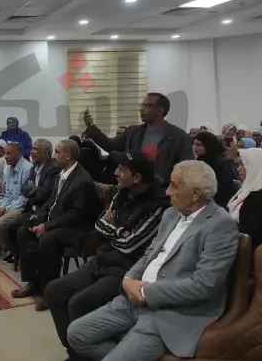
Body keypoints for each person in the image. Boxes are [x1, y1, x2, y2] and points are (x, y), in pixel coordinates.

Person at [67, 161, 239, 361]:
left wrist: (145, 292)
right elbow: (149, 255)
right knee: (76, 334)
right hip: (134, 300)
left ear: (195, 194)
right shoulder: (171, 213)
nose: (167, 191)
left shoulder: (220, 225)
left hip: (171, 312)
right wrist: (128, 279)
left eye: (174, 186)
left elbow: (203, 285)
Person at [46, 150, 170, 360]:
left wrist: (113, 229)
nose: (115, 173)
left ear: (137, 177)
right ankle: (75, 352)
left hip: (128, 270)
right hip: (105, 259)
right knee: (54, 290)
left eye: (121, 169)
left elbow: (130, 246)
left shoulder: (159, 205)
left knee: (78, 302)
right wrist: (121, 231)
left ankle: (83, 355)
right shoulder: (122, 192)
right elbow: (100, 224)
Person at [12, 139, 101, 310]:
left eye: (57, 152)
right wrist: (40, 217)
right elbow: (52, 201)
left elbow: (76, 216)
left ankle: (49, 291)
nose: (53, 156)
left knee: (47, 239)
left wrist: (47, 226)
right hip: (59, 220)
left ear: (68, 155)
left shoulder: (81, 181)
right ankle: (34, 282)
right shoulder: (63, 172)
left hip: (78, 229)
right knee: (24, 231)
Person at [83, 93, 194, 185]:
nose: (141, 109)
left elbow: (187, 170)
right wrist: (92, 128)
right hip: (133, 188)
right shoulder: (133, 132)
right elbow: (110, 145)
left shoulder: (179, 136)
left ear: (160, 110)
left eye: (147, 106)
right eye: (141, 105)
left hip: (162, 193)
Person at [3, 139, 59, 263]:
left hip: (43, 212)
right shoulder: (34, 168)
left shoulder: (53, 169)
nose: (31, 152)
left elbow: (43, 195)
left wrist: (32, 190)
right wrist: (34, 189)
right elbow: (23, 189)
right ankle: (20, 257)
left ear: (46, 152)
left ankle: (31, 261)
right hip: (31, 209)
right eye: (32, 148)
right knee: (9, 228)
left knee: (20, 230)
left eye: (35, 149)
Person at [0, 142, 34, 256]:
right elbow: (7, 194)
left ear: (19, 154)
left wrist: (6, 209)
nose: (5, 157)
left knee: (1, 222)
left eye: (9, 154)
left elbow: (25, 197)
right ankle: (7, 247)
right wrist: (2, 207)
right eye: (5, 153)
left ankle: (12, 250)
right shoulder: (8, 168)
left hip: (22, 206)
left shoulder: (27, 169)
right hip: (9, 204)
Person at [193, 131, 237, 209]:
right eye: (194, 144)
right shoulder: (198, 161)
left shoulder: (221, 164)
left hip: (216, 205)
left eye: (199, 145)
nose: (195, 147)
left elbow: (223, 188)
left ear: (208, 146)